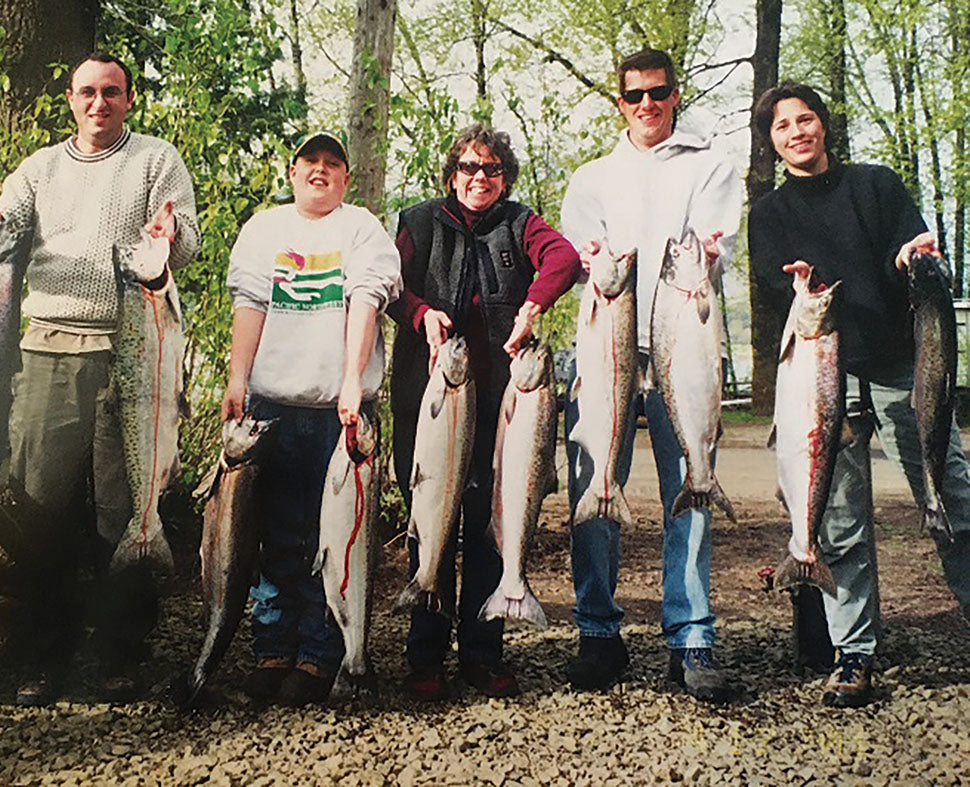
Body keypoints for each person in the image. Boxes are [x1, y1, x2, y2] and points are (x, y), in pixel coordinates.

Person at [0, 52, 199, 705]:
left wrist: (170, 231)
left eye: (112, 93)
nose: (100, 103)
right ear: (71, 99)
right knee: (40, 501)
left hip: (135, 349)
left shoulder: (156, 160)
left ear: (129, 100)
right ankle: (43, 646)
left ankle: (118, 651)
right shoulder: (39, 169)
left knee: (124, 508)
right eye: (88, 93)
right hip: (49, 348)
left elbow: (187, 243)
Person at [749, 81, 970, 708]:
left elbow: (912, 245)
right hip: (825, 376)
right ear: (771, 141)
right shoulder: (769, 213)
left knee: (951, 493)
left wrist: (913, 253)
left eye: (806, 119)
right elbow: (771, 283)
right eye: (783, 125)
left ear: (823, 126)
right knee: (840, 518)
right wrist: (792, 285)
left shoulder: (876, 185)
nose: (797, 132)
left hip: (902, 366)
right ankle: (854, 654)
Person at [560, 49, 742, 700]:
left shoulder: (712, 165)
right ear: (620, 102)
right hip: (607, 348)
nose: (647, 104)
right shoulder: (591, 177)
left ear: (675, 94)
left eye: (658, 92)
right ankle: (597, 633)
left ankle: (691, 638)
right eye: (634, 94)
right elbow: (586, 259)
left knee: (689, 490)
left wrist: (710, 252)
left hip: (681, 351)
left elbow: (714, 246)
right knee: (594, 489)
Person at [388, 123, 580, 700]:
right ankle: (424, 656)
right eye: (469, 168)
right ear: (451, 175)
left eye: (492, 170)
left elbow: (565, 260)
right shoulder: (417, 222)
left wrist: (531, 307)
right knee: (432, 517)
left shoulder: (522, 225)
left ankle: (482, 652)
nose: (479, 178)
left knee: (490, 526)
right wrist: (422, 314)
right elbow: (389, 284)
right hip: (428, 404)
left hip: (501, 405)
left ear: (505, 179)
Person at [223, 131, 401, 707]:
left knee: (334, 541)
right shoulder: (263, 228)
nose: (320, 171)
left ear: (345, 178)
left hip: (339, 415)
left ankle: (322, 655)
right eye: (310, 162)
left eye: (333, 163)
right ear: (292, 171)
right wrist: (236, 379)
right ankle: (271, 648)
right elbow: (250, 302)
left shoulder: (361, 229)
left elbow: (368, 300)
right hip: (272, 408)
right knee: (274, 534)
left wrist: (352, 382)